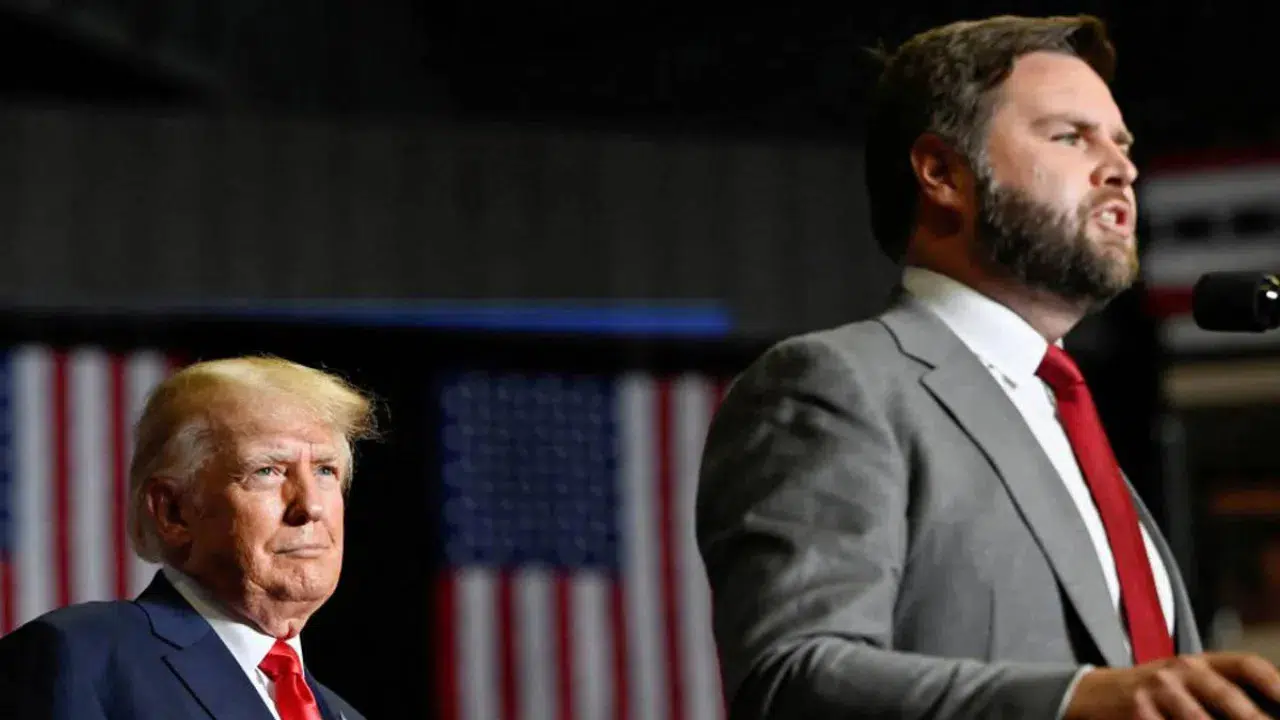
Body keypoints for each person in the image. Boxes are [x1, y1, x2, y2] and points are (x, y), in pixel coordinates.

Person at [696, 14, 1280, 720]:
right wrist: (1074, 702)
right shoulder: (837, 386)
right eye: (1070, 137)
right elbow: (789, 680)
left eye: (1121, 143)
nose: (1121, 167)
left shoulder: (1067, 421)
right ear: (942, 173)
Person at [0, 356, 376, 720]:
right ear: (173, 512)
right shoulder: (81, 658)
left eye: (325, 470)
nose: (310, 506)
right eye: (267, 470)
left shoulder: (341, 714)